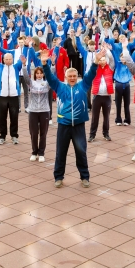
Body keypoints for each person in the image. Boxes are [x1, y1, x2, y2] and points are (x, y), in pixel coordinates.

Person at [41, 50, 94, 188]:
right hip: (63, 125)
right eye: (70, 76)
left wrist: (95, 63)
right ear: (65, 77)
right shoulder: (60, 86)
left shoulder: (83, 86)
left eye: (74, 76)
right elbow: (50, 77)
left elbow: (90, 74)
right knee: (61, 153)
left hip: (79, 126)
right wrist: (45, 64)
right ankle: (58, 177)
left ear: (77, 77)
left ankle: (85, 177)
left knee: (81, 152)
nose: (72, 78)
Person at [0, 48, 22, 145]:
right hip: (2, 96)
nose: (8, 61)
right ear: (3, 60)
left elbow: (23, 56)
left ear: (13, 59)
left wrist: (27, 46)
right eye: (6, 59)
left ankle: (14, 136)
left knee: (14, 117)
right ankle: (2, 136)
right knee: (2, 117)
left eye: (10, 59)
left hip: (14, 96)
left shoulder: (16, 67)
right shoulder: (0, 67)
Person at [20, 54, 50, 162]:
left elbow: (52, 76)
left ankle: (41, 153)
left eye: (41, 73)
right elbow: (25, 77)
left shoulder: (46, 83)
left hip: (44, 111)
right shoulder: (31, 83)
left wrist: (53, 64)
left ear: (43, 74)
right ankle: (34, 152)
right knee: (33, 133)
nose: (39, 75)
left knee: (43, 133)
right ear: (35, 74)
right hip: (33, 111)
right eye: (37, 73)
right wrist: (24, 65)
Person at [87, 49, 115, 142]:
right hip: (97, 96)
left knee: (106, 117)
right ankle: (92, 135)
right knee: (95, 117)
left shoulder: (110, 68)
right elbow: (93, 63)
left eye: (104, 59)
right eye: (100, 60)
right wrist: (97, 57)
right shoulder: (95, 69)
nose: (102, 61)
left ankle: (106, 133)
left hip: (107, 97)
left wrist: (107, 50)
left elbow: (112, 59)